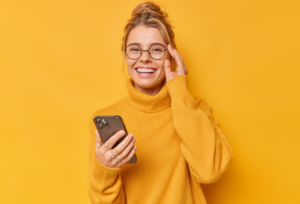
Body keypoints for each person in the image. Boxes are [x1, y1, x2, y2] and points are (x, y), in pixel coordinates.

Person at [88, 1, 233, 203]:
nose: (144, 58)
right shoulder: (105, 119)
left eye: (156, 49)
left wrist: (180, 91)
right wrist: (105, 170)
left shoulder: (196, 109)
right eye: (135, 49)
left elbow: (210, 172)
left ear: (171, 55)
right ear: (125, 54)